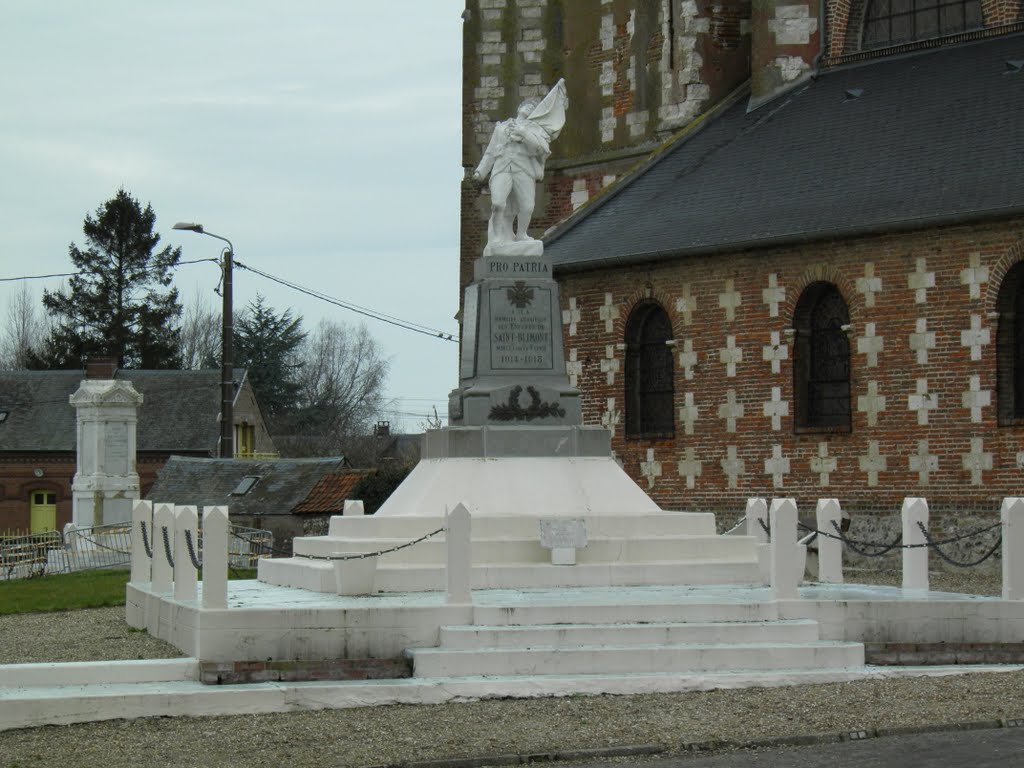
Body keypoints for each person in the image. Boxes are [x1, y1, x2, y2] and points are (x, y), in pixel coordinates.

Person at [473, 79, 567, 251]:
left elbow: (542, 148)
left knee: (527, 206)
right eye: (526, 105)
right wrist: (481, 171)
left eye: (532, 107)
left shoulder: (534, 129)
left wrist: (523, 134)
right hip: (502, 168)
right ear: (519, 109)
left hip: (523, 169)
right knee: (498, 204)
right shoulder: (501, 127)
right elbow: (491, 151)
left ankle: (522, 234)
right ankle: (496, 237)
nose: (528, 107)